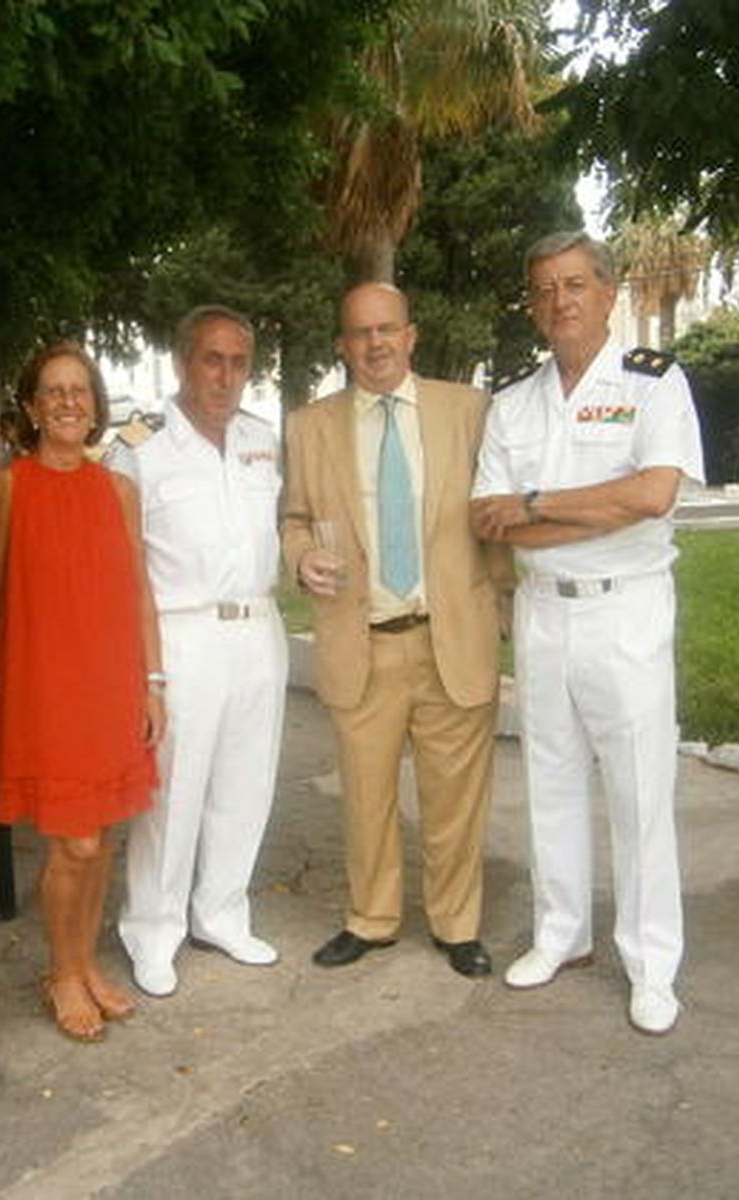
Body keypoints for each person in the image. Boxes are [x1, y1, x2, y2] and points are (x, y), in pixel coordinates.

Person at [470, 230, 705, 1037]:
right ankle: (560, 935)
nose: (560, 300)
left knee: (639, 792)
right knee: (552, 779)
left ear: (608, 293)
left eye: (574, 284)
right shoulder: (513, 401)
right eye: (544, 288)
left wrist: (537, 504)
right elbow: (490, 518)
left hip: (625, 610)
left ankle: (651, 964)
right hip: (543, 612)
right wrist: (590, 506)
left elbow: (653, 494)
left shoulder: (653, 381)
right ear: (532, 306)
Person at [281, 282, 512, 979]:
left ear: (410, 336)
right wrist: (300, 556)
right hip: (364, 642)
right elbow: (294, 519)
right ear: (342, 346)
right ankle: (371, 919)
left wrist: (501, 610)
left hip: (452, 638)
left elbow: (496, 512)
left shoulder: (468, 410)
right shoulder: (310, 426)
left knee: (455, 801)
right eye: (360, 332)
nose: (375, 342)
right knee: (366, 797)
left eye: (387, 329)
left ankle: (456, 924)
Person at [0, 342, 164, 1042]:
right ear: (31, 406)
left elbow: (140, 591)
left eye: (80, 390)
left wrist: (153, 685)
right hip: (42, 691)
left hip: (111, 686)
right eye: (53, 390)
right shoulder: (3, 489)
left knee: (100, 839)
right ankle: (60, 972)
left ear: (96, 405)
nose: (69, 401)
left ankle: (84, 965)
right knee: (73, 845)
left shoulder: (119, 491)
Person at [109, 306, 287, 998]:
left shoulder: (261, 439)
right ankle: (153, 930)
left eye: (239, 362)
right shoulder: (140, 445)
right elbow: (121, 566)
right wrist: (144, 672)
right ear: (184, 363)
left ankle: (221, 913)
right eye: (212, 359)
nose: (226, 375)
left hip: (258, 627)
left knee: (245, 784)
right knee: (174, 794)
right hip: (183, 632)